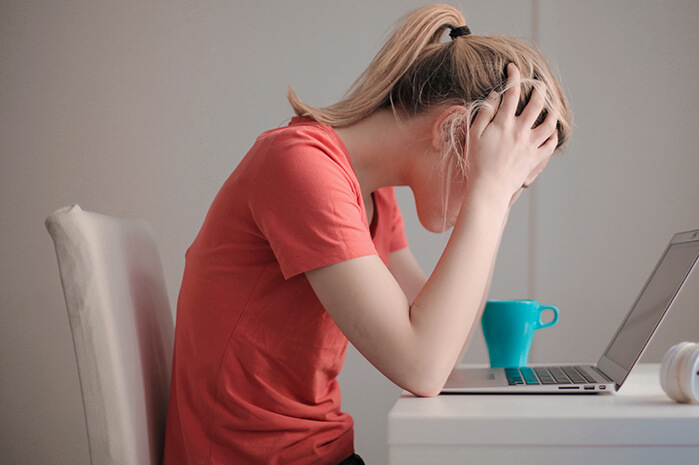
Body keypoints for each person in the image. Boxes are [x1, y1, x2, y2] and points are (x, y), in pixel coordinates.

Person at [163, 4, 572, 465]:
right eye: (506, 176)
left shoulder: (373, 198)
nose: (502, 193)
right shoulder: (299, 166)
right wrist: (490, 195)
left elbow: (446, 344)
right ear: (451, 130)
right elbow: (423, 366)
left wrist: (494, 203)